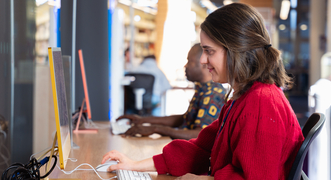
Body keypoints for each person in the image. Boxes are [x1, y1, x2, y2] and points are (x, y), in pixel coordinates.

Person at [102, 3, 304, 179]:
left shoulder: (260, 104)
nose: (202, 60)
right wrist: (134, 166)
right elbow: (201, 149)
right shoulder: (243, 98)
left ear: (236, 50)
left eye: (209, 51)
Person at [118, 43, 227, 140]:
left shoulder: (212, 94)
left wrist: (156, 129)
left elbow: (199, 134)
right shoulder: (203, 89)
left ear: (204, 64)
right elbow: (185, 118)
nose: (185, 66)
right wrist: (143, 120)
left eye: (190, 61)